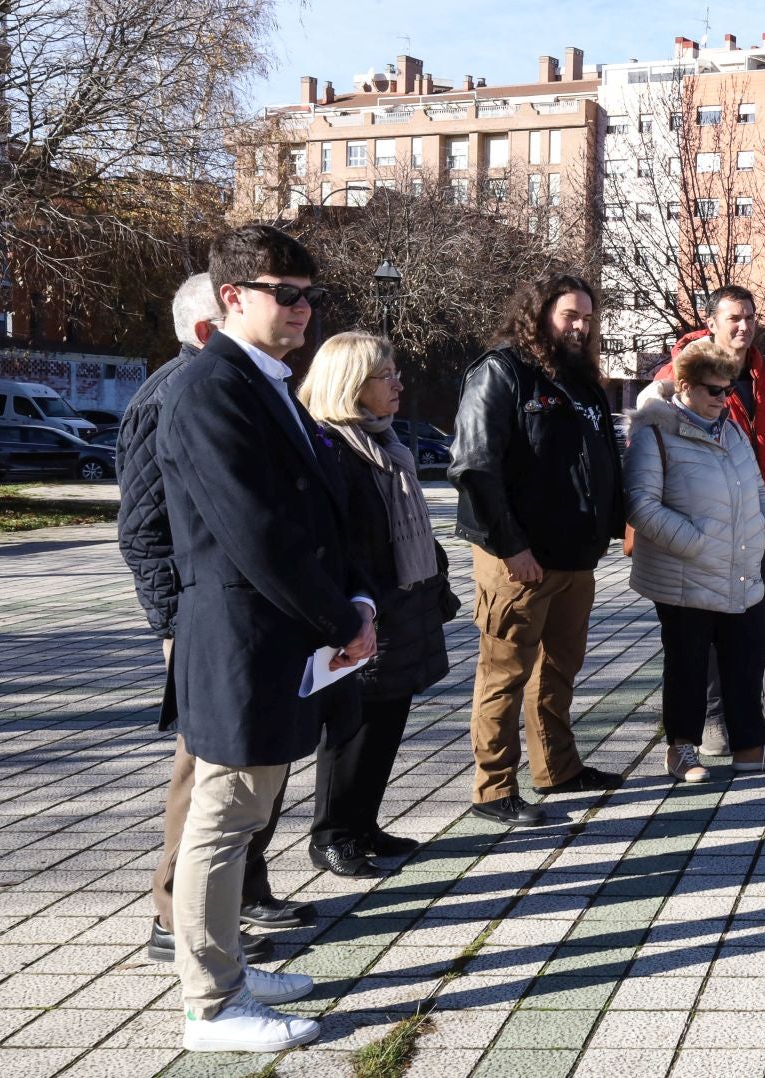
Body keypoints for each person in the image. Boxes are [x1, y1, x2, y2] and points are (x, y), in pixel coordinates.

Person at [158, 225, 377, 1051]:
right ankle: (211, 1006)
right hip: (243, 635)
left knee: (244, 812)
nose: (302, 308)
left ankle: (230, 973)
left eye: (308, 294)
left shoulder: (267, 382)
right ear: (233, 297)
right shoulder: (210, 387)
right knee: (223, 815)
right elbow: (255, 532)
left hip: (285, 634)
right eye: (285, 293)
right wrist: (341, 618)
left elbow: (318, 513)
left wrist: (355, 598)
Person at [118, 274, 297, 968]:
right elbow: (143, 530)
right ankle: (175, 918)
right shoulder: (176, 394)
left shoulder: (228, 388)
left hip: (234, 615)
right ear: (207, 329)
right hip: (199, 619)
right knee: (205, 775)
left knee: (241, 769)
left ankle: (239, 893)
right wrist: (172, 627)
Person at [450, 274, 626, 829]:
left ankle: (558, 769)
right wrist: (511, 546)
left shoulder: (582, 381)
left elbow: (602, 461)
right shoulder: (501, 372)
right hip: (518, 560)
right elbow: (476, 468)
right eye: (570, 315)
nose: (581, 326)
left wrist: (618, 523)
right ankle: (492, 789)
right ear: (539, 313)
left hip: (576, 557)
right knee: (504, 675)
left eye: (588, 317)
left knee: (558, 671)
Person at [299, 333, 456, 878]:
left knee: (389, 718)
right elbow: (339, 540)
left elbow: (409, 528)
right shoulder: (331, 447)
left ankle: (365, 823)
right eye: (385, 375)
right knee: (350, 726)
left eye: (395, 373)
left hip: (404, 602)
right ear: (351, 383)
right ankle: (332, 835)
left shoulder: (388, 442)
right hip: (362, 609)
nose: (399, 384)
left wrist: (436, 582)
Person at [654, 287, 765, 756]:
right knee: (713, 627)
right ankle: (714, 723)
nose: (744, 326)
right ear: (712, 321)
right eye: (734, 317)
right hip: (709, 530)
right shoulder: (681, 375)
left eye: (750, 317)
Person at [627, 339, 765, 780]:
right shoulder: (654, 431)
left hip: (739, 567)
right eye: (714, 391)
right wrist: (698, 543)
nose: (724, 400)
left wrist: (763, 528)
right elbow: (641, 506)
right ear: (683, 385)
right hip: (685, 572)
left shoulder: (730, 427)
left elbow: (757, 486)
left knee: (746, 657)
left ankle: (750, 747)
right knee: (687, 665)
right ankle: (681, 750)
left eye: (728, 390)